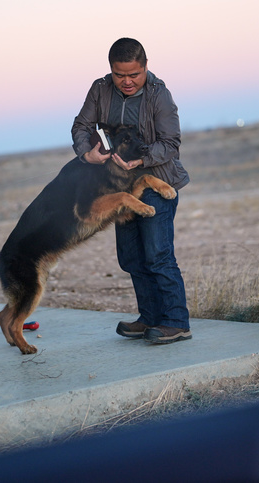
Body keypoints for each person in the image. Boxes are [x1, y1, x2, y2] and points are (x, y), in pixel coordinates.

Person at [71, 38, 192, 344]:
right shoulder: (100, 89)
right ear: (111, 70)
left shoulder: (159, 94)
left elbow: (171, 143)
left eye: (133, 75)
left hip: (155, 183)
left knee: (158, 255)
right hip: (116, 187)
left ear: (145, 67)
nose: (126, 81)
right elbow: (81, 127)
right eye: (119, 74)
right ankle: (149, 319)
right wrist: (88, 154)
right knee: (131, 258)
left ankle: (176, 322)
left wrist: (142, 159)